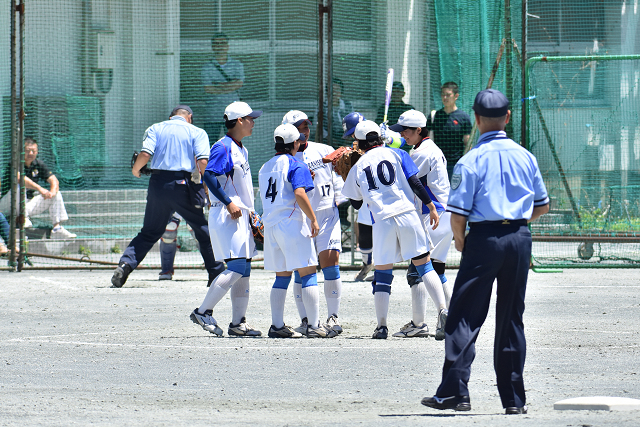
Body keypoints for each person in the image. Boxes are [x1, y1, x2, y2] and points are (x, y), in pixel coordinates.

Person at [421, 89, 549, 414]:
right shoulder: (526, 156)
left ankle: (455, 393)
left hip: (484, 238)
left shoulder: (470, 160)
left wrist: (462, 240)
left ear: (476, 120)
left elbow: (459, 214)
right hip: (519, 237)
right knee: (511, 318)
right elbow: (542, 205)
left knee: (464, 314)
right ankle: (514, 402)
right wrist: (517, 224)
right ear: (507, 118)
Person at [341, 120, 442, 339]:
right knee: (424, 267)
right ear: (379, 138)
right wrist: (431, 206)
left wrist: (345, 174)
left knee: (383, 274)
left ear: (359, 143)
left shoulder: (358, 166)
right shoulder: (398, 154)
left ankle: (382, 326)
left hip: (382, 221)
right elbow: (415, 182)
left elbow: (356, 204)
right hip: (407, 214)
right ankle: (443, 313)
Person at [110, 105, 225, 288]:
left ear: (172, 117)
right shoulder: (197, 131)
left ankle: (125, 264)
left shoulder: (156, 128)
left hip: (158, 184)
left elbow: (146, 154)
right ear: (189, 117)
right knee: (201, 229)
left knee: (149, 232)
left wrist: (135, 169)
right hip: (183, 185)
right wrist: (209, 188)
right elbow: (203, 161)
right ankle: (216, 271)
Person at [190, 101, 262, 337]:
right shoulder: (223, 146)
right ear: (239, 120)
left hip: (240, 213)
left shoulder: (241, 148)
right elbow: (208, 176)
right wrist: (229, 201)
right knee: (238, 266)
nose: (253, 122)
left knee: (245, 269)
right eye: (250, 118)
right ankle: (203, 311)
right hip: (227, 212)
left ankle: (238, 323)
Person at [259, 123, 337, 339]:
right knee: (308, 271)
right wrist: (313, 218)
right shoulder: (296, 163)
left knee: (282, 275)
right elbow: (300, 193)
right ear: (296, 143)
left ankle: (277, 326)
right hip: (291, 222)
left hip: (272, 224)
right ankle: (314, 325)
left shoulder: (265, 166)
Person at [390, 110, 454, 340]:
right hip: (445, 216)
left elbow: (402, 176)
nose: (403, 135)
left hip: (432, 214)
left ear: (419, 130)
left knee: (417, 271)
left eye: (406, 131)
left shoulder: (422, 153)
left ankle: (419, 323)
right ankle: (452, 317)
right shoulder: (426, 148)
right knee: (437, 270)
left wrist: (383, 144)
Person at [281, 110, 346, 335]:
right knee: (303, 270)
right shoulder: (286, 159)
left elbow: (338, 174)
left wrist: (340, 197)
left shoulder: (324, 150)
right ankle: (307, 319)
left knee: (331, 264)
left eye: (306, 126)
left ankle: (333, 317)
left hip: (327, 214)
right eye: (299, 127)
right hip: (300, 218)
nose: (304, 131)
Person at [0, 138, 76, 238]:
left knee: (56, 194)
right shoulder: (14, 163)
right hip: (7, 204)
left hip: (27, 204)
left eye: (33, 151)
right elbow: (20, 179)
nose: (31, 153)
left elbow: (54, 180)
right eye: (27, 151)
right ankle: (22, 218)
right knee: (19, 187)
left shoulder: (38, 164)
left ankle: (57, 228)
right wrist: (40, 189)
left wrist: (51, 193)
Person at [340, 112, 374, 282]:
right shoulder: (356, 147)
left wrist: (388, 139)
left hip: (383, 194)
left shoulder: (382, 136)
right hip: (365, 195)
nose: (352, 137)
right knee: (364, 228)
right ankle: (367, 265)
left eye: (354, 132)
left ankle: (383, 269)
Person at [201, 33, 245, 141]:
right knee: (210, 144)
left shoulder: (237, 64)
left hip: (233, 113)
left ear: (228, 46)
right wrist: (230, 86)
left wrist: (217, 85)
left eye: (223, 43)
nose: (220, 46)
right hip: (212, 113)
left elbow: (239, 84)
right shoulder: (207, 67)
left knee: (234, 144)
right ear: (212, 46)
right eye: (216, 43)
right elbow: (208, 89)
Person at [427, 82, 472, 178]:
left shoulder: (463, 117)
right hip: (437, 163)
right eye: (443, 95)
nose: (445, 98)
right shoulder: (434, 116)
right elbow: (427, 140)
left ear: (456, 96)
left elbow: (467, 143)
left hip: (456, 164)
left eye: (448, 95)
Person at [317, 78, 354, 142]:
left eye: (337, 90)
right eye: (332, 90)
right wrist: (327, 137)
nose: (334, 93)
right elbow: (317, 124)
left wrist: (349, 136)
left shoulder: (348, 105)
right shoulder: (322, 106)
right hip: (327, 138)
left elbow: (353, 122)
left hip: (345, 138)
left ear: (341, 92)